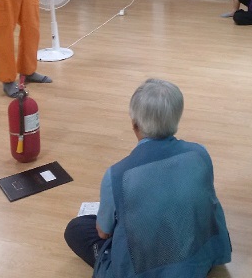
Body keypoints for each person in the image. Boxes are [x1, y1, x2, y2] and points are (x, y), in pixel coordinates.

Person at [64, 78, 232, 277]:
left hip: (145, 268)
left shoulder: (116, 175)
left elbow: (103, 232)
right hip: (199, 261)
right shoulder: (200, 153)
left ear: (134, 124)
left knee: (77, 228)